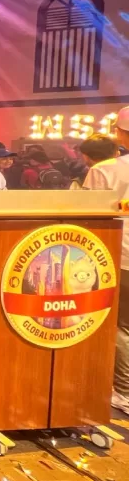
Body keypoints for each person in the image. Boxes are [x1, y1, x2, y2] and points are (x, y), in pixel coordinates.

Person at [81, 108, 129, 415]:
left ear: (121, 133)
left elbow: (85, 214)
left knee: (118, 325)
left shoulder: (105, 170)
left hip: (118, 253)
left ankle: (123, 391)